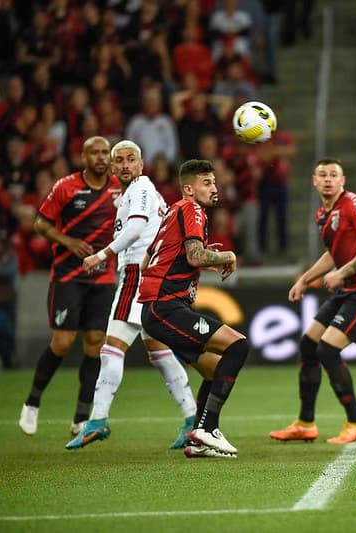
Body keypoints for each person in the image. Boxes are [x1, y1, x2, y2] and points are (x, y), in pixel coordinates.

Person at [65, 140, 197, 451]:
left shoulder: (139, 187)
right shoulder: (140, 192)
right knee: (159, 352)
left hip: (137, 275)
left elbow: (137, 227)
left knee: (111, 349)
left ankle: (97, 420)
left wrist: (101, 255)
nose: (125, 165)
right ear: (112, 168)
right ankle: (193, 419)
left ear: (140, 164)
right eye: (119, 161)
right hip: (151, 276)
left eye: (131, 159)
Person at [138, 159, 248, 458]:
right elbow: (195, 255)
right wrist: (226, 255)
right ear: (189, 188)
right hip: (166, 307)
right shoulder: (191, 209)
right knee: (237, 346)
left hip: (158, 308)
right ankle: (207, 428)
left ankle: (197, 442)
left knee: (215, 370)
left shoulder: (173, 211)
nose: (214, 188)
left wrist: (197, 266)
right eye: (206, 183)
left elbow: (149, 260)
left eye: (214, 182)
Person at [18, 136, 120, 436]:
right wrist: (68, 241)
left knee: (94, 343)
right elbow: (40, 223)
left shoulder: (120, 187)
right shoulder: (66, 186)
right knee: (62, 343)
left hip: (102, 277)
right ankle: (32, 402)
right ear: (83, 157)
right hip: (68, 276)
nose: (101, 157)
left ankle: (80, 417)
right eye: (95, 153)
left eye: (105, 153)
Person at [269, 158, 356, 444]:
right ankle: (305, 423)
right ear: (314, 181)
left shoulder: (353, 204)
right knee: (309, 344)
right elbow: (333, 253)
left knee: (327, 349)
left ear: (343, 181)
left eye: (333, 175)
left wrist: (341, 273)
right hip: (346, 289)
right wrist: (305, 279)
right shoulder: (322, 214)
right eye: (322, 175)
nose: (328, 179)